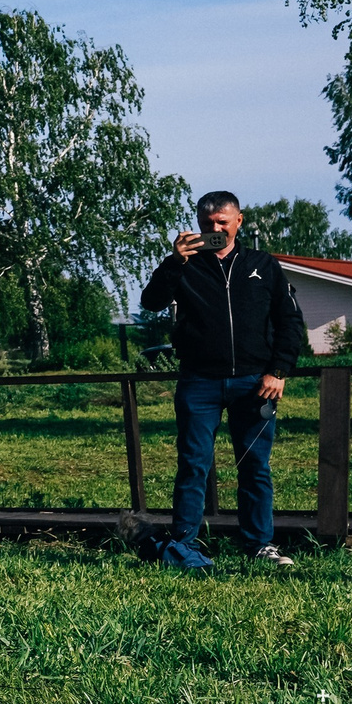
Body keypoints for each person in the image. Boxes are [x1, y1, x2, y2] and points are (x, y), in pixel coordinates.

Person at [138, 190, 305, 572]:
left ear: (238, 221)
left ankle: (259, 543)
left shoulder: (263, 264)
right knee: (194, 463)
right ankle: (183, 545)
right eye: (206, 223)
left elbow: (290, 321)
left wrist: (279, 370)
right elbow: (151, 302)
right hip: (199, 382)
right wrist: (174, 261)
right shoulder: (186, 265)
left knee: (255, 466)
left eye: (221, 222)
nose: (214, 229)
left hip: (255, 382)